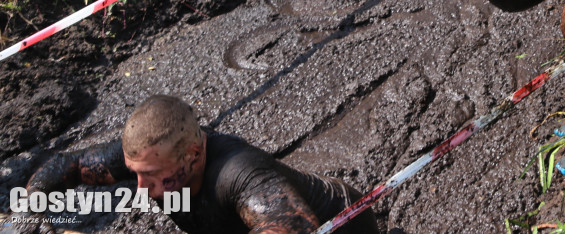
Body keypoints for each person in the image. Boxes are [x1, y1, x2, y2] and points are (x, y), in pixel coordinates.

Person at [12, 95, 378, 234]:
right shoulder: (148, 157)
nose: (141, 190)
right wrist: (32, 207)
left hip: (348, 223)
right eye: (135, 173)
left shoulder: (238, 172)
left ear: (193, 153)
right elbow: (70, 164)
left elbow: (293, 226)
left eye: (154, 178)